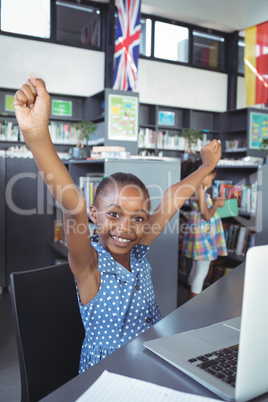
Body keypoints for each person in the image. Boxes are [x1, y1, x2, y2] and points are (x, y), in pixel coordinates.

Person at [13, 74, 222, 373]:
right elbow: (73, 206)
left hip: (150, 362)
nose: (126, 227)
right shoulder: (90, 266)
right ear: (95, 216)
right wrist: (36, 135)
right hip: (108, 375)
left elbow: (172, 199)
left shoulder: (137, 252)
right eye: (114, 214)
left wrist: (205, 167)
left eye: (138, 218)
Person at [181, 159, 227, 299]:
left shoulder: (195, 189)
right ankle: (194, 306)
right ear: (204, 175)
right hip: (204, 235)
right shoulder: (200, 190)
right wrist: (217, 205)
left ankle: (189, 304)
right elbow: (206, 215)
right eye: (211, 179)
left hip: (198, 232)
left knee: (195, 270)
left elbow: (201, 208)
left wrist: (212, 201)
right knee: (202, 272)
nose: (212, 182)